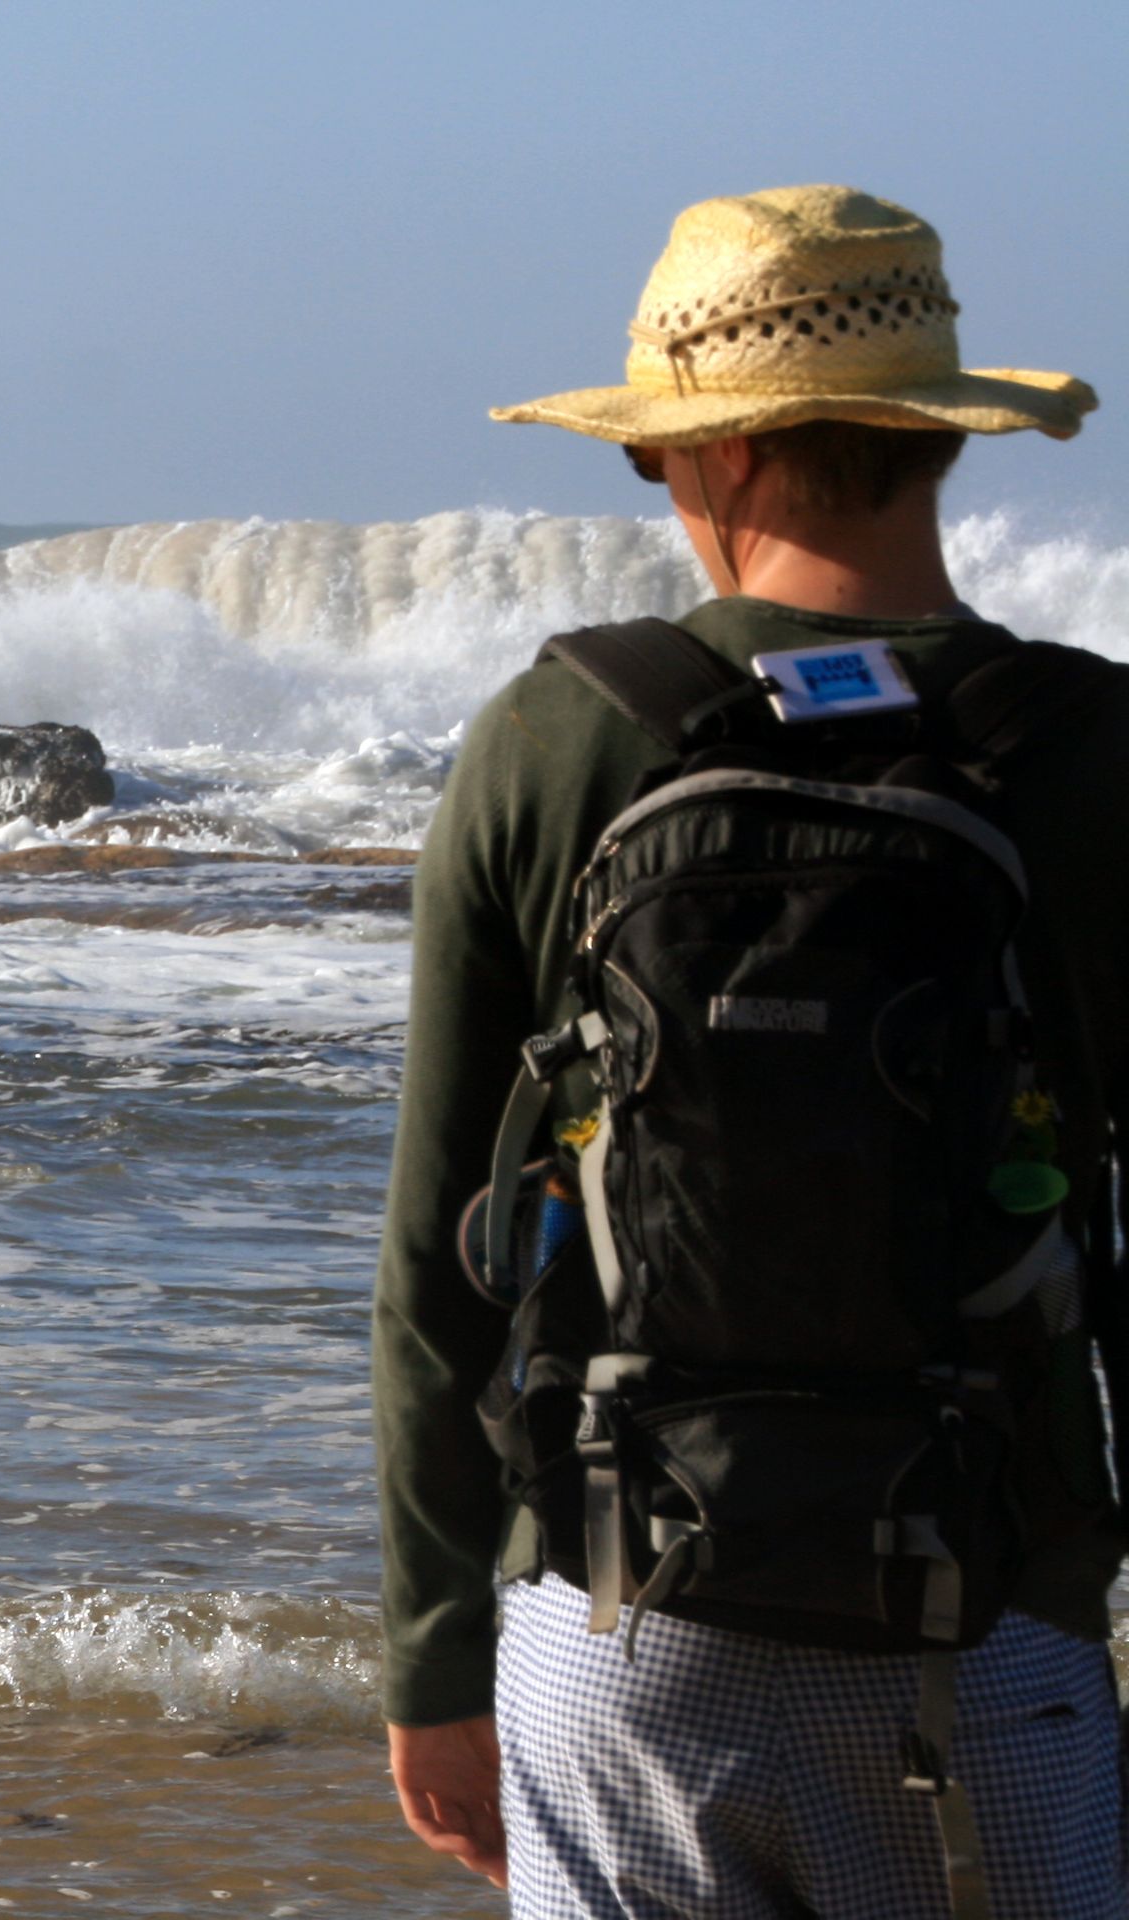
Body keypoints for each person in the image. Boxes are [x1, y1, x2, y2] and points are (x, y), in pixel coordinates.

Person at [372, 184, 1119, 1913]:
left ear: (729, 458)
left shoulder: (554, 737)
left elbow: (440, 1259)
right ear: (935, 437)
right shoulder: (1093, 756)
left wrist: (433, 1657)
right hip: (991, 1633)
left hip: (617, 1629)